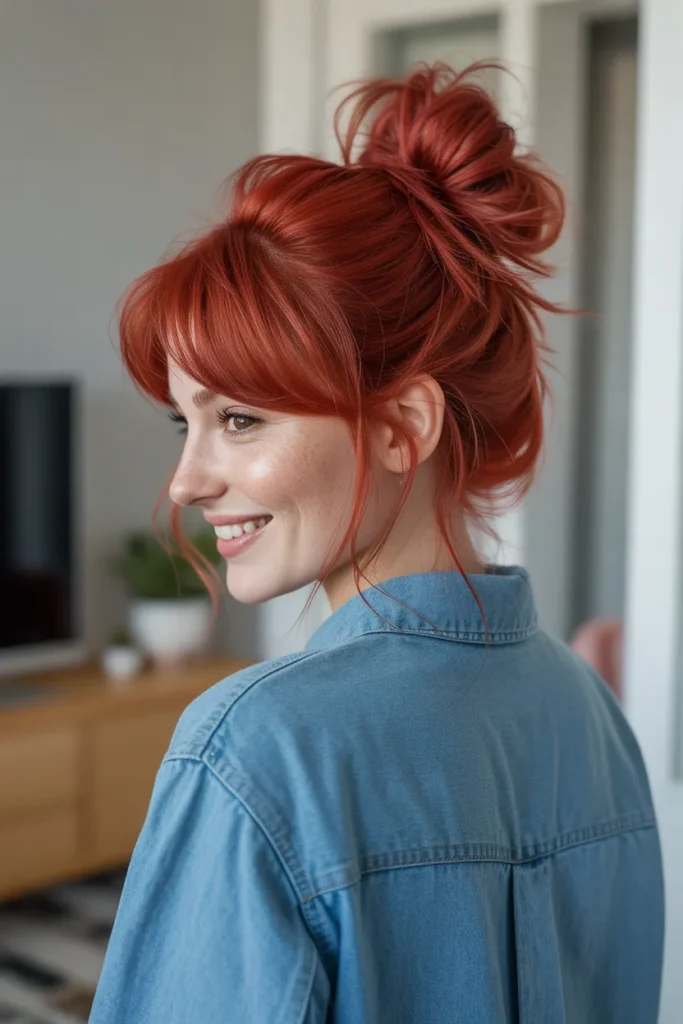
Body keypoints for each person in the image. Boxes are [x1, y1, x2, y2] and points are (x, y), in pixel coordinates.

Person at [89, 64, 664, 1023]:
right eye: (180, 424)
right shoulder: (588, 716)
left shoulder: (254, 751)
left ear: (402, 425)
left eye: (238, 419)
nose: (186, 480)